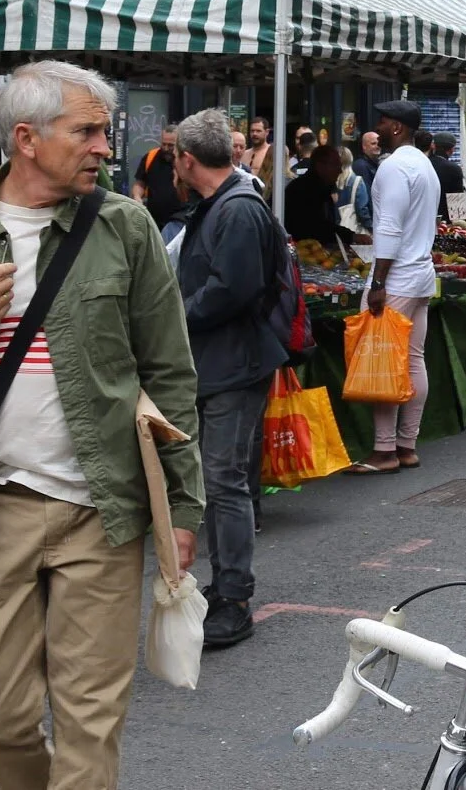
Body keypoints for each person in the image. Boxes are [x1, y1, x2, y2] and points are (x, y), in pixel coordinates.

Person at [0, 62, 201, 789]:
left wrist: (181, 506)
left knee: (91, 719)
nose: (103, 148)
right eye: (85, 131)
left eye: (103, 132)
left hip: (103, 508)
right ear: (25, 137)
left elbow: (170, 373)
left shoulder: (125, 226)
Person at [168, 109, 283, 650]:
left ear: (188, 160)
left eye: (174, 156)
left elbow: (231, 290)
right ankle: (224, 588)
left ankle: (234, 597)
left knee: (225, 481)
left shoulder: (236, 209)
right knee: (219, 481)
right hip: (220, 362)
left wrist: (173, 316)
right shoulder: (222, 203)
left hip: (233, 365)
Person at [350, 100, 441, 474]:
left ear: (398, 128)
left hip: (398, 274)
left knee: (381, 359)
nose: (377, 128)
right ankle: (407, 444)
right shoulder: (424, 165)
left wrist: (378, 282)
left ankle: (385, 450)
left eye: (383, 122)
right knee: (413, 358)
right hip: (421, 273)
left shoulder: (393, 167)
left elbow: (388, 227)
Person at [283, 143, 357, 258]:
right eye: (336, 165)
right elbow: (317, 226)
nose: (340, 171)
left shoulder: (323, 187)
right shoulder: (305, 190)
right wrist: (350, 236)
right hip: (305, 253)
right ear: (320, 166)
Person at [132, 127, 180, 231]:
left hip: (179, 221)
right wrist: (137, 197)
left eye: (171, 145)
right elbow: (140, 182)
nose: (166, 148)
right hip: (154, 221)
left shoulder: (184, 160)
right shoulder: (150, 157)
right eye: (163, 144)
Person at [429, 133, 466, 214]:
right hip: (445, 222)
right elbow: (458, 210)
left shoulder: (424, 164)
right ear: (452, 149)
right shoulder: (454, 169)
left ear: (434, 146)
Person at [353, 129, 384, 193]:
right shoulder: (361, 166)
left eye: (379, 143)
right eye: (373, 143)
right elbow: (367, 195)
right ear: (364, 146)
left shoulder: (377, 164)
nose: (377, 146)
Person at [244, 117, 272, 187]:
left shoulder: (271, 153)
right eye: (252, 131)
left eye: (258, 131)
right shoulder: (244, 154)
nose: (254, 134)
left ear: (267, 132)